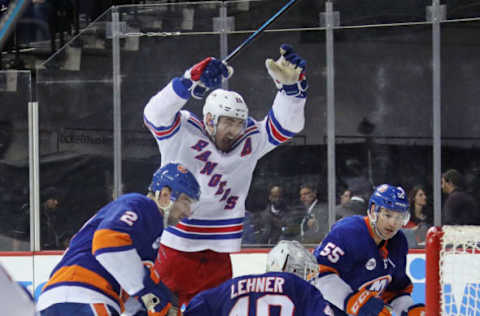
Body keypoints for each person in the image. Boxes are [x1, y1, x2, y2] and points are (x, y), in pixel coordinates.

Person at [143, 43, 308, 309]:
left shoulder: (250, 140)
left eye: (239, 122)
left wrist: (291, 92)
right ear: (209, 120)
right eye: (228, 122)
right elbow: (154, 114)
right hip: (174, 250)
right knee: (162, 310)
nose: (235, 130)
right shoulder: (183, 132)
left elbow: (286, 126)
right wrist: (187, 82)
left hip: (219, 255)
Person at [37, 163, 200, 316]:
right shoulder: (142, 205)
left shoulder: (147, 230)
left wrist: (151, 306)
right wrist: (153, 297)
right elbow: (107, 243)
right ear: (165, 195)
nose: (188, 212)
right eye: (186, 202)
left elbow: (129, 282)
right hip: (84, 296)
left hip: (56, 299)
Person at [313, 184, 425, 316]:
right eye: (388, 215)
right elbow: (317, 274)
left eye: (399, 217)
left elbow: (395, 290)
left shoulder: (398, 242)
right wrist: (352, 301)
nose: (393, 223)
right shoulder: (348, 232)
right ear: (373, 211)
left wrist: (408, 310)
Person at [183, 240, 333, 316]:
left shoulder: (232, 286)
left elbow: (194, 307)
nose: (308, 278)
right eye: (303, 271)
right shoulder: (299, 288)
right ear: (285, 266)